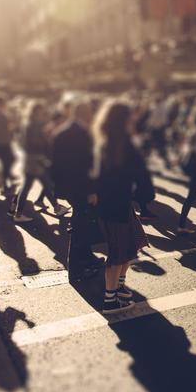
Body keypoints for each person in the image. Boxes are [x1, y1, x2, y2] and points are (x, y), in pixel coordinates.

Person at [92, 100, 150, 314]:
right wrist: (143, 195)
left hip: (113, 204)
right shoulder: (122, 143)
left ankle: (119, 287)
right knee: (118, 253)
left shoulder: (105, 141)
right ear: (123, 119)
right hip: (116, 205)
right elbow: (139, 173)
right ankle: (110, 299)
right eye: (131, 116)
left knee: (128, 247)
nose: (134, 119)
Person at [51, 99, 106, 281]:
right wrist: (91, 190)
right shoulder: (81, 133)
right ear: (87, 114)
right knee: (80, 225)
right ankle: (76, 268)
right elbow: (85, 165)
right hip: (80, 187)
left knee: (82, 221)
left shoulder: (63, 131)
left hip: (68, 186)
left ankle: (87, 257)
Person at [10, 101, 68, 223]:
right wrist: (47, 139)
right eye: (41, 110)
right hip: (36, 158)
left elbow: (23, 141)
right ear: (37, 111)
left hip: (30, 158)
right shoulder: (36, 124)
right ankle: (55, 208)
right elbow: (37, 141)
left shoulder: (27, 123)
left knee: (33, 185)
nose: (43, 112)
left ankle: (18, 212)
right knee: (43, 184)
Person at [0, 96, 15, 193]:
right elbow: (0, 129)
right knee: (7, 162)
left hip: (4, 141)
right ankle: (4, 184)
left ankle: (5, 181)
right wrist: (10, 130)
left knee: (9, 161)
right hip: (2, 142)